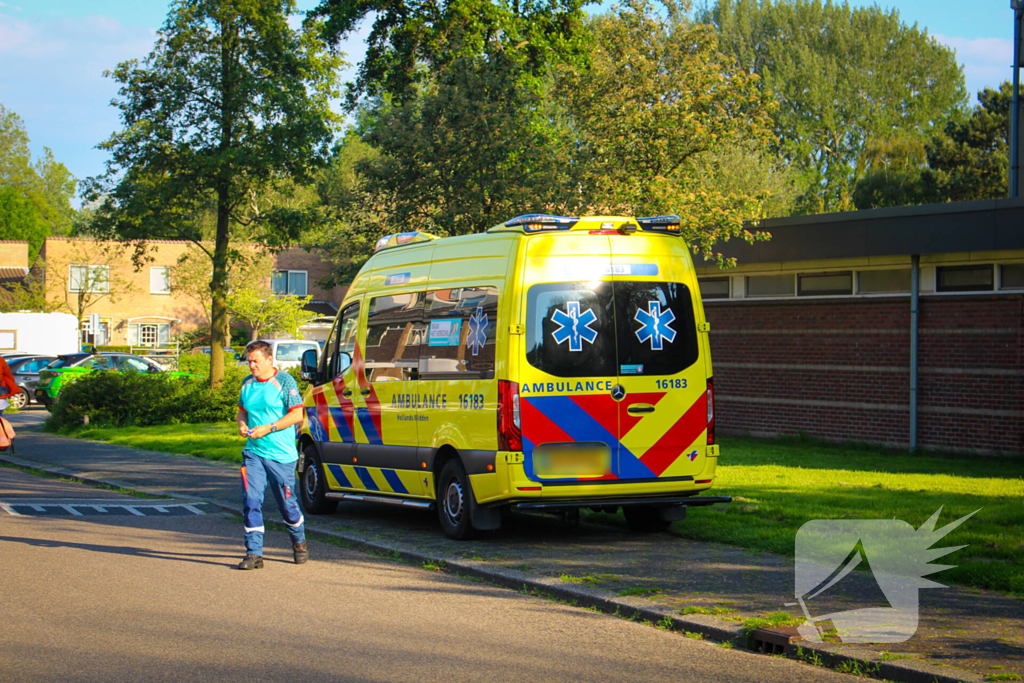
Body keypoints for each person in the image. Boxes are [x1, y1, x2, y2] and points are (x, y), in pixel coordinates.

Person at [235, 341, 308, 570]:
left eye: (256, 361)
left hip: (281, 456)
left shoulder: (285, 382)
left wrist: (269, 428)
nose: (252, 365)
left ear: (269, 360)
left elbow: (297, 415)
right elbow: (242, 412)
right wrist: (242, 425)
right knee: (251, 500)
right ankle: (254, 553)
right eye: (249, 361)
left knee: (287, 504)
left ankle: (299, 541)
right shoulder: (247, 383)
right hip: (253, 453)